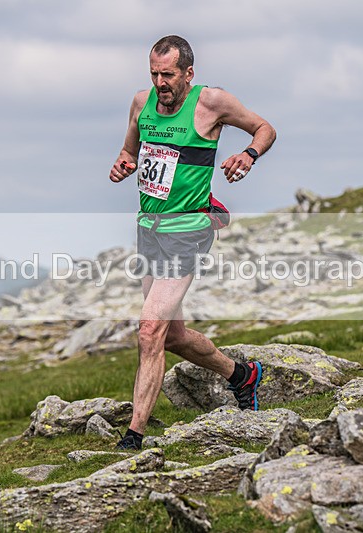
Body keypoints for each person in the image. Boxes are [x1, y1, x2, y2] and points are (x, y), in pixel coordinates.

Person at [109, 35, 276, 450]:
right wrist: (124, 165)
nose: (160, 83)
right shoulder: (140, 102)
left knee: (149, 331)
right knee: (172, 335)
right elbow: (130, 151)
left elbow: (264, 128)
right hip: (150, 228)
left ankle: (134, 436)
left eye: (168, 75)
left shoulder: (211, 103)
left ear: (188, 73)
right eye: (154, 74)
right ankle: (242, 376)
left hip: (188, 231)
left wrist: (248, 155)